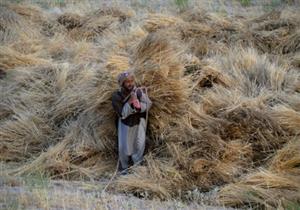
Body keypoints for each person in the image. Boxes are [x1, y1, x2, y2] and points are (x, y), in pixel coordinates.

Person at [112, 71, 152, 174]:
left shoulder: (139, 92)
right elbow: (122, 113)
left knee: (139, 145)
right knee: (124, 146)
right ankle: (124, 168)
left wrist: (139, 107)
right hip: (125, 124)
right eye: (127, 82)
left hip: (139, 123)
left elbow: (148, 104)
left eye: (131, 81)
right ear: (122, 84)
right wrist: (130, 102)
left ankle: (137, 168)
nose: (130, 84)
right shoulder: (117, 96)